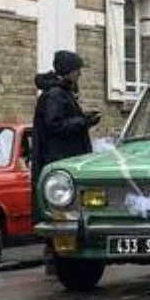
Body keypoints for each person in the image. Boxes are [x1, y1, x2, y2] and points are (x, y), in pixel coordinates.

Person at [31, 50, 101, 213]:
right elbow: (55, 124)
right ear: (69, 71)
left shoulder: (62, 93)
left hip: (64, 158)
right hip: (60, 159)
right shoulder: (55, 95)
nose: (80, 74)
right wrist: (84, 121)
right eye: (77, 70)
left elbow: (65, 119)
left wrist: (84, 117)